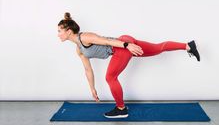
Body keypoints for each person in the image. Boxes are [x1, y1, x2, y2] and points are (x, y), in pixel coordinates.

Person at [57, 12, 200, 118]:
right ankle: (187, 46)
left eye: (59, 31)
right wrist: (92, 88)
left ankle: (121, 109)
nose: (58, 34)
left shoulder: (84, 37)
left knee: (110, 77)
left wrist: (127, 46)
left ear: (69, 31)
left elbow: (106, 41)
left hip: (121, 46)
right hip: (124, 42)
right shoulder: (79, 50)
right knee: (157, 48)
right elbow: (88, 70)